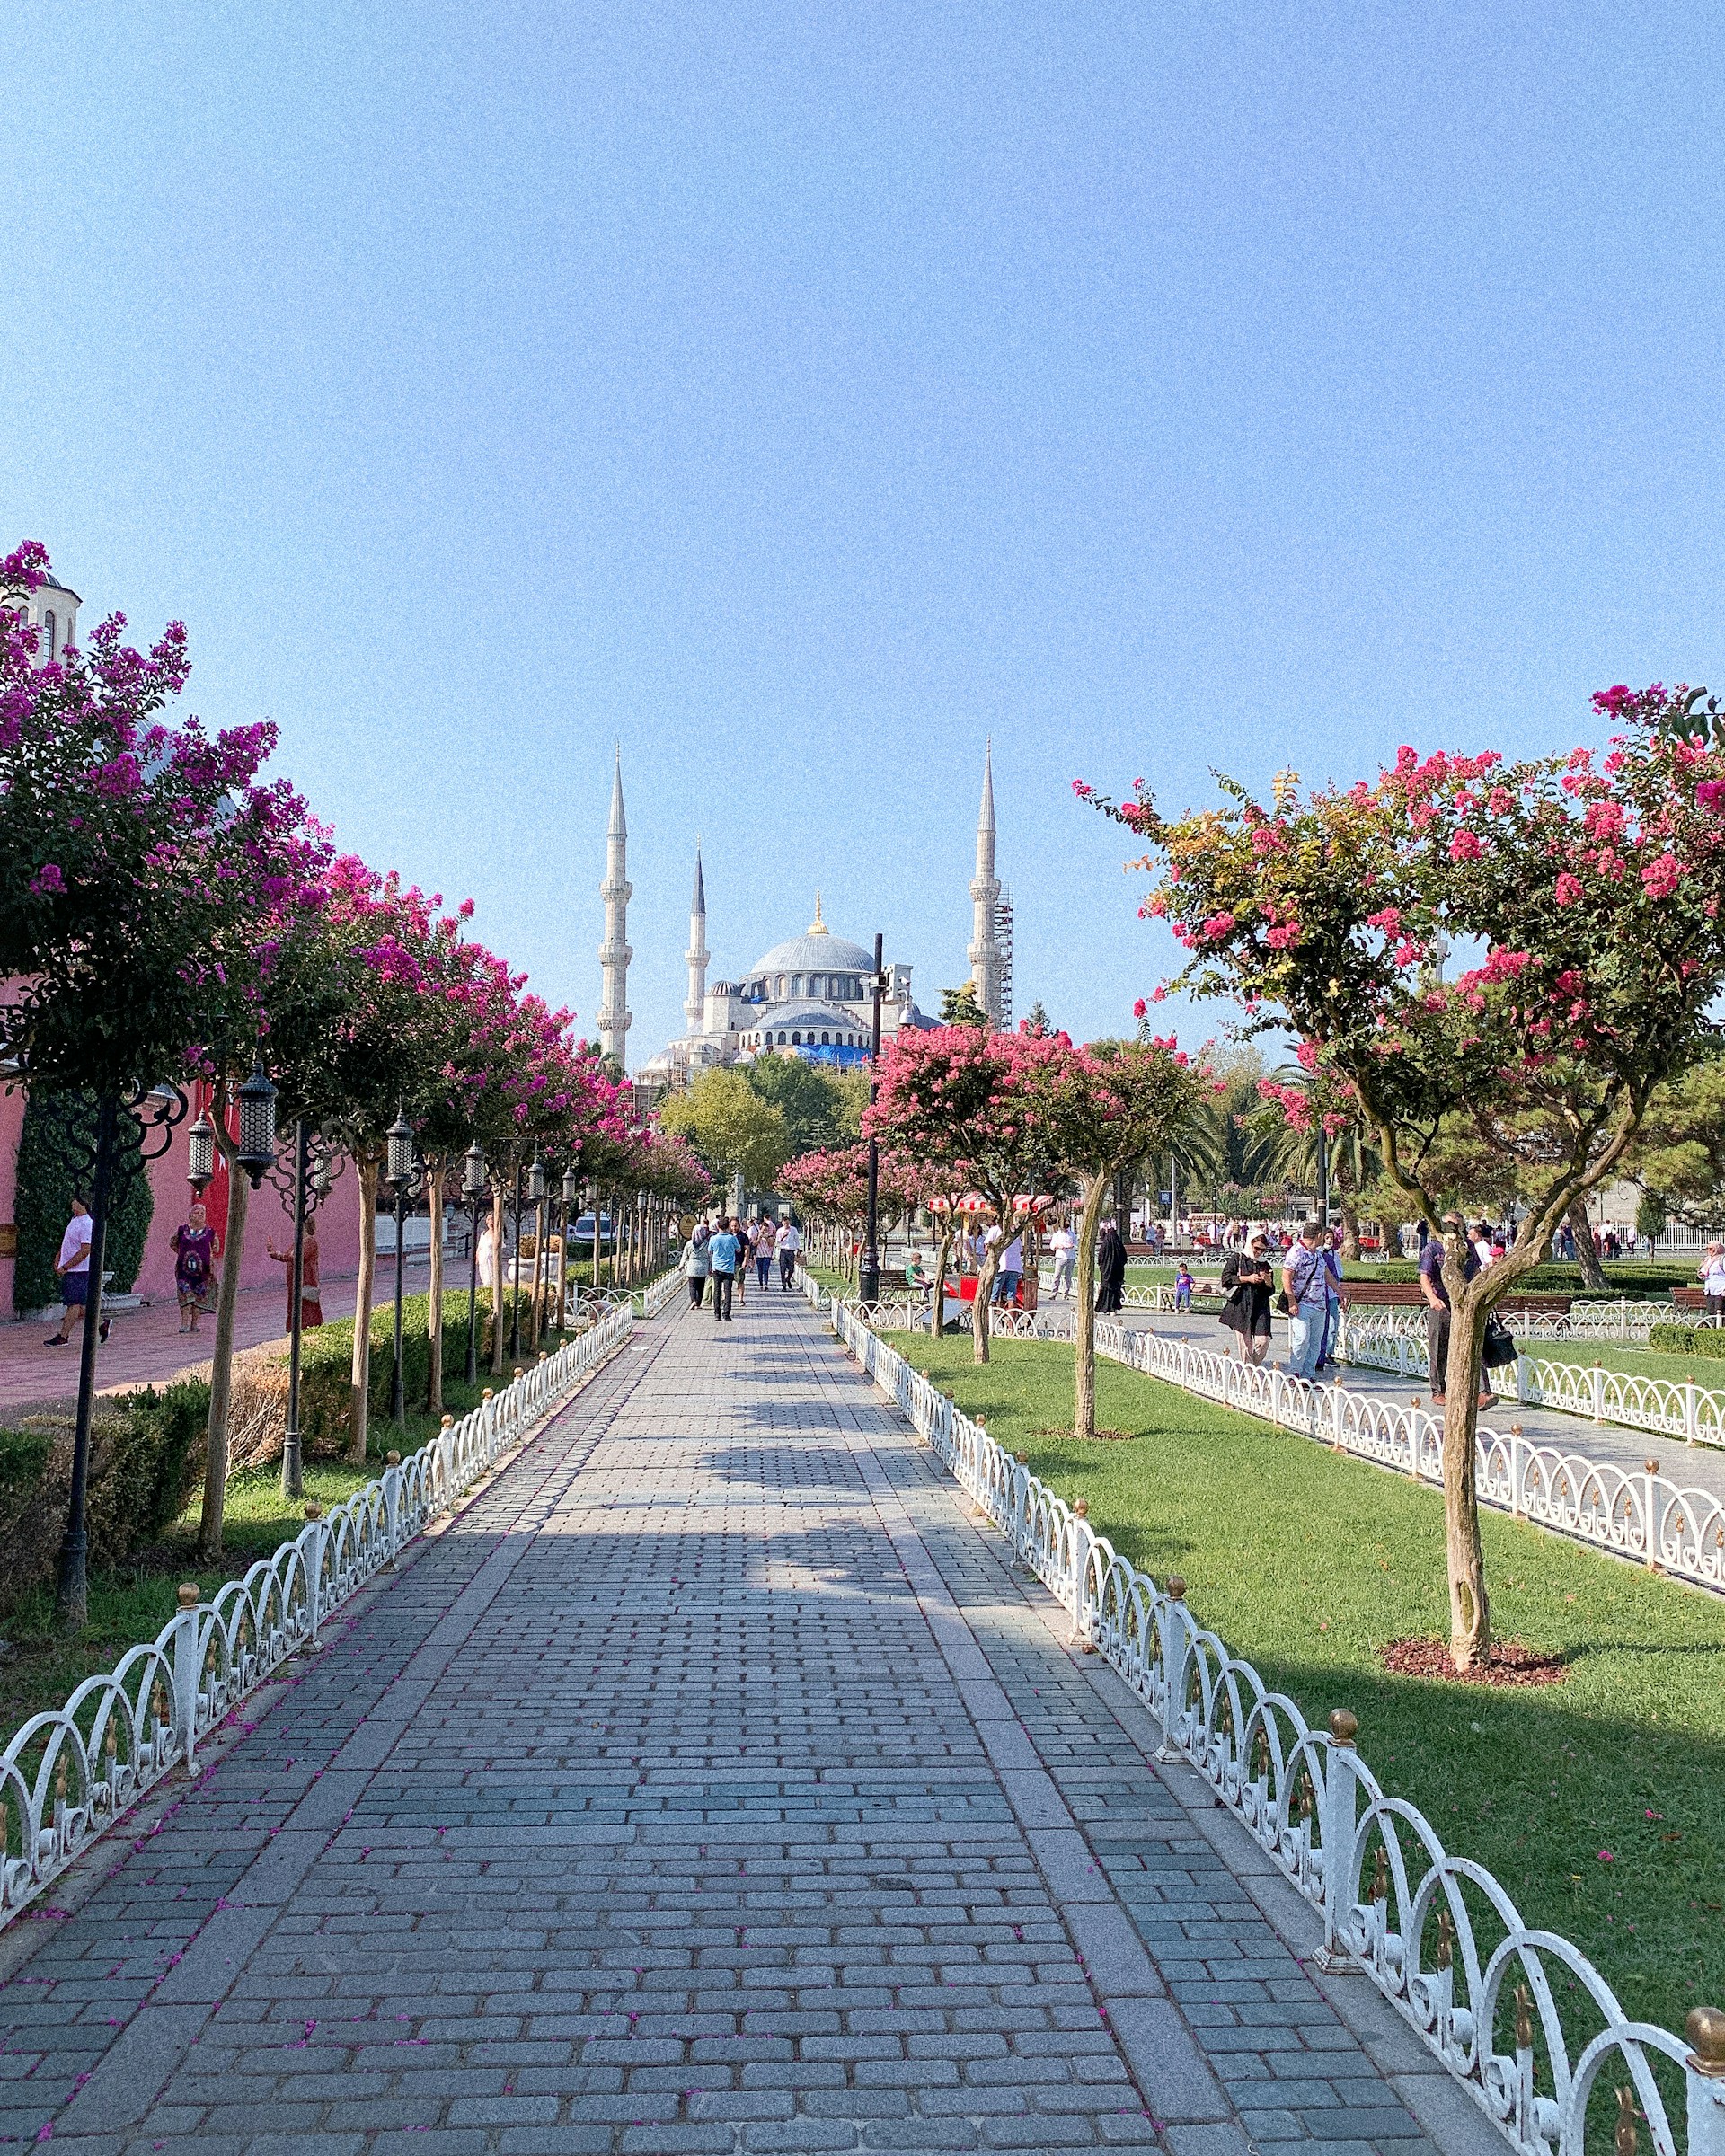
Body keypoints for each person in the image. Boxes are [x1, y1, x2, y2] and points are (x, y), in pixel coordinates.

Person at [1419, 1215, 1495, 1409]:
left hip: (1464, 1303)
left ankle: (1482, 1392)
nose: (1454, 1227)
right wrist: (1433, 1299)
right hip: (1441, 1303)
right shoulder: (1433, 1247)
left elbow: (1477, 1271)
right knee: (1439, 1347)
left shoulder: (1467, 1246)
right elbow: (1424, 1277)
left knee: (1471, 1343)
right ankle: (1439, 1390)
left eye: (1457, 1224)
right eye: (1450, 1224)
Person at [45, 1194, 108, 1347]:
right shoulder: (74, 1220)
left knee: (74, 1303)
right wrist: (59, 1258)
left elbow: (85, 1250)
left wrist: (67, 1266)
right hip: (72, 1270)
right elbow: (67, 1243)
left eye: (75, 1203)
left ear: (83, 1204)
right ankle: (101, 1324)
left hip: (80, 1271)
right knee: (83, 1305)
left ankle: (63, 1336)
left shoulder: (87, 1223)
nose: (72, 1206)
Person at [1280, 1220, 1334, 1383]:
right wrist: (1291, 1301)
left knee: (1315, 1343)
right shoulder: (1296, 1252)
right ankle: (1295, 1371)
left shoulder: (1317, 1254)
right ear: (1318, 1236)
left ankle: (1308, 1374)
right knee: (1302, 1338)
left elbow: (1326, 1274)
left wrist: (1339, 1291)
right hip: (1302, 1303)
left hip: (1319, 1305)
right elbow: (1286, 1276)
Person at [1218, 1233, 1274, 1365]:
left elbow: (1271, 1291)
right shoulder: (1238, 1258)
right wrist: (1247, 1278)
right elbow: (1226, 1278)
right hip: (1241, 1304)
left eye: (1263, 1250)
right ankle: (1250, 1376)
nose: (1259, 1252)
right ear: (1250, 1244)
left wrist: (1268, 1281)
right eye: (1256, 1248)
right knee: (1245, 1343)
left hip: (1260, 1306)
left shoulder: (1265, 1264)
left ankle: (1254, 1366)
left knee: (1263, 1341)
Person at [264, 1217, 323, 1333]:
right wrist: (274, 1253)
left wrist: (278, 1254)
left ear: (305, 1226)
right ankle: (295, 1328)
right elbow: (289, 1255)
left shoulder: (310, 1242)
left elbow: (295, 1257)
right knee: (295, 1304)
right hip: (294, 1281)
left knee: (306, 1304)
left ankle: (307, 1327)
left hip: (304, 1280)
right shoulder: (299, 1241)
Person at [170, 1202, 220, 1335]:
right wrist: (184, 1255)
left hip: (203, 1272)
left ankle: (195, 1324)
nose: (200, 1215)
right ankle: (184, 1323)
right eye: (197, 1212)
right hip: (183, 1271)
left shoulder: (210, 1232)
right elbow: (173, 1244)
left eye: (203, 1213)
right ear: (190, 1215)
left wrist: (206, 1259)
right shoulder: (182, 1230)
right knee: (185, 1295)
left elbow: (215, 1248)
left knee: (198, 1296)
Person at [708, 1215, 740, 1321]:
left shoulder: (713, 1239)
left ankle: (717, 1313)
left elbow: (710, 1251)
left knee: (717, 1292)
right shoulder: (732, 1238)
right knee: (728, 1292)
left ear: (718, 1226)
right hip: (728, 1268)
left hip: (717, 1268)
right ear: (728, 1227)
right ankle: (726, 1314)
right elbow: (739, 1249)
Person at [1096, 1218, 1127, 1313]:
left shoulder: (1105, 1245)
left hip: (1106, 1273)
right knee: (1115, 1290)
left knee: (1106, 1288)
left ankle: (1106, 1307)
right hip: (1117, 1272)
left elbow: (1100, 1258)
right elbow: (1124, 1257)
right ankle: (1113, 1308)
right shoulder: (1119, 1245)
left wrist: (1103, 1267)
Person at [682, 1217, 712, 1309]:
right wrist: (711, 1267)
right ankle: (698, 1303)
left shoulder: (690, 1244)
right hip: (703, 1266)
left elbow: (685, 1256)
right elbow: (710, 1256)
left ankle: (693, 1300)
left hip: (692, 1266)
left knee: (692, 1286)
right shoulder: (707, 1243)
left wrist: (681, 1265)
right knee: (701, 1285)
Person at [992, 1229, 1023, 1307]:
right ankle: (1011, 1318)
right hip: (1014, 1267)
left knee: (994, 1294)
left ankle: (990, 1315)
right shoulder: (1015, 1233)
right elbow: (1020, 1249)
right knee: (1011, 1296)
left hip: (1001, 1266)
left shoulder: (995, 1230)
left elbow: (987, 1247)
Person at [1047, 1222, 1075, 1300]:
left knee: (1068, 1277)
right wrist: (1057, 1246)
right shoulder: (1057, 1234)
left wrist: (1072, 1246)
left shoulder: (1072, 1234)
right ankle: (1053, 1293)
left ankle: (1065, 1294)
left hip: (1070, 1257)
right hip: (1060, 1256)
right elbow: (1052, 1246)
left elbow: (1076, 1245)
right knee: (1057, 1275)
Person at [1701, 1241, 1725, 1322]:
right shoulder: (1707, 1260)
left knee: (1719, 1311)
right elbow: (1703, 1272)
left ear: (1717, 1249)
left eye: (1711, 1248)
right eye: (1707, 1248)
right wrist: (1701, 1275)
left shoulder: (1722, 1259)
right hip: (1710, 1290)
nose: (1708, 1250)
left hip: (1721, 1290)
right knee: (1711, 1311)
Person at [753, 1215, 776, 1291]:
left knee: (766, 1270)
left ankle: (766, 1284)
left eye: (766, 1229)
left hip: (767, 1255)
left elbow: (771, 1244)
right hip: (759, 1255)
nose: (765, 1231)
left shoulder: (770, 1236)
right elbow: (754, 1244)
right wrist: (759, 1238)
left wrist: (767, 1238)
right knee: (760, 1270)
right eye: (763, 1229)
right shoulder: (757, 1234)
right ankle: (761, 1284)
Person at [777, 1215, 801, 1289]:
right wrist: (782, 1237)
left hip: (791, 1251)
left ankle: (788, 1279)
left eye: (787, 1223)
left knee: (791, 1269)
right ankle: (784, 1285)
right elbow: (777, 1241)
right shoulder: (780, 1230)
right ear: (782, 1223)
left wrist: (797, 1249)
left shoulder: (793, 1229)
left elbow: (796, 1240)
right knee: (783, 1269)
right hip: (783, 1250)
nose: (786, 1225)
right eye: (784, 1224)